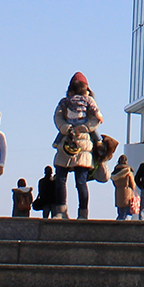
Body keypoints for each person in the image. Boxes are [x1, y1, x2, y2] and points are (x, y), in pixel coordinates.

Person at [52, 73, 103, 220]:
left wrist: (82, 128)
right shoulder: (66, 102)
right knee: (62, 179)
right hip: (68, 143)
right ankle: (63, 211)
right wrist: (66, 128)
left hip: (82, 143)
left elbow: (95, 120)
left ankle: (81, 213)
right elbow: (58, 116)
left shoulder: (87, 101)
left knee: (79, 181)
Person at [112, 155, 139, 220]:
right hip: (127, 192)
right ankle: (125, 226)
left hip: (118, 192)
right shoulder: (128, 171)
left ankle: (118, 225)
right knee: (127, 213)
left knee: (120, 212)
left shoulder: (115, 172)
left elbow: (114, 182)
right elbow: (132, 184)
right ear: (126, 161)